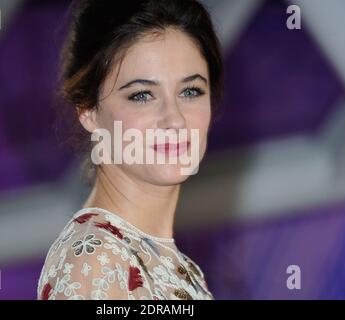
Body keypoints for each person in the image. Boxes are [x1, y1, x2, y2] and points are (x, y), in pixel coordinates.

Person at [37, 0, 223, 300]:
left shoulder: (163, 260)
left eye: (190, 91)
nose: (174, 119)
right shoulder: (97, 261)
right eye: (141, 95)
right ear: (88, 110)